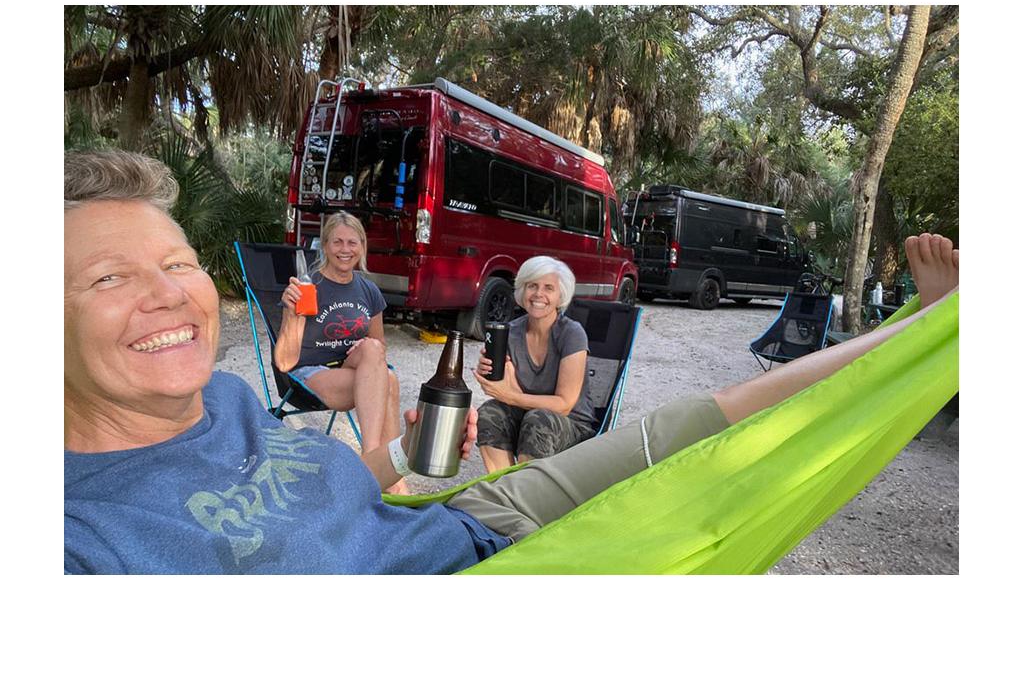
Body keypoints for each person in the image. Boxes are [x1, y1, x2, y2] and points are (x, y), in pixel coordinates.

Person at [64, 150, 958, 574]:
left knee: (695, 420)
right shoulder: (76, 540)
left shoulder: (224, 397)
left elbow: (558, 401)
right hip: (480, 569)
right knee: (706, 479)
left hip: (460, 502)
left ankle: (925, 332)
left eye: (178, 263)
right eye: (110, 276)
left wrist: (396, 462)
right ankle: (939, 338)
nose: (172, 292)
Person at [273, 211, 407, 495]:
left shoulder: (369, 291)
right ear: (324, 246)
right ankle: (387, 471)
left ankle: (374, 459)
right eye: (337, 242)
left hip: (355, 367)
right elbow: (284, 361)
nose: (345, 250)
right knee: (390, 381)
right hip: (312, 372)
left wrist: (364, 349)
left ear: (362, 246)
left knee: (372, 349)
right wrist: (290, 312)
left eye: (352, 243)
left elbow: (379, 346)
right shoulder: (308, 287)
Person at [472, 257, 595, 472]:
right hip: (527, 415)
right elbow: (506, 391)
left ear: (560, 296)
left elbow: (564, 404)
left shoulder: (572, 333)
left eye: (549, 288)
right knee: (489, 412)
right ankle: (503, 487)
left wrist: (509, 395)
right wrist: (490, 374)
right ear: (522, 291)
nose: (539, 294)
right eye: (532, 286)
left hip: (571, 424)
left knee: (538, 420)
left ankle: (529, 495)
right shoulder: (509, 332)